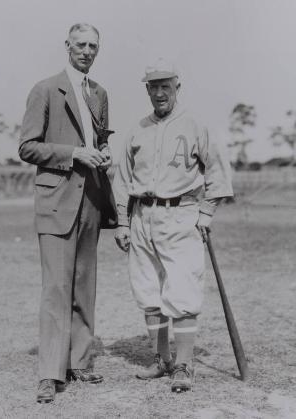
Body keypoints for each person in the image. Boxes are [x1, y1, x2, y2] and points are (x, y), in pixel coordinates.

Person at [113, 58, 233, 393]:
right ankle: (162, 359)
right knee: (148, 291)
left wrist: (206, 213)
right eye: (154, 86)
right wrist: (122, 222)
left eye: (166, 85)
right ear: (147, 89)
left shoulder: (196, 123)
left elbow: (218, 173)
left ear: (177, 87)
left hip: (181, 213)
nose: (160, 92)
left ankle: (184, 364)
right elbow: (122, 179)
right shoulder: (138, 128)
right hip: (142, 217)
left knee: (182, 290)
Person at [19, 23, 117, 403]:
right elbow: (27, 147)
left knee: (84, 286)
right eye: (80, 45)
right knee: (56, 289)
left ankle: (78, 362)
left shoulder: (100, 93)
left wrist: (103, 155)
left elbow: (101, 139)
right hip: (57, 200)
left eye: (93, 45)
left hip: (91, 200)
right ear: (67, 46)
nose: (87, 51)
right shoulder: (45, 89)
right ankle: (50, 372)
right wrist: (74, 153)